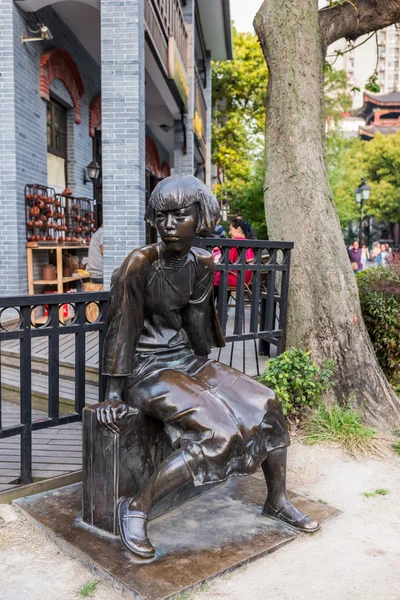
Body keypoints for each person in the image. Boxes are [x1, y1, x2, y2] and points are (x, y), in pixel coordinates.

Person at [96, 175, 319, 559]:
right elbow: (122, 327)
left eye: (180, 215)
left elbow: (198, 326)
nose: (169, 225)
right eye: (162, 216)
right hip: (146, 368)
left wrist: (210, 360)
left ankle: (277, 498)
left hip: (187, 359)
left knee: (265, 401)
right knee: (217, 429)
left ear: (201, 217)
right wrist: (113, 394)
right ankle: (136, 508)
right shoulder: (139, 264)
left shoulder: (201, 262)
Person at [213, 218, 255, 292]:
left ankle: (216, 303)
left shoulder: (235, 244)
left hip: (235, 278)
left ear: (238, 229)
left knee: (211, 276)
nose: (229, 232)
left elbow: (225, 262)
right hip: (245, 279)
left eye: (231, 229)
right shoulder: (249, 243)